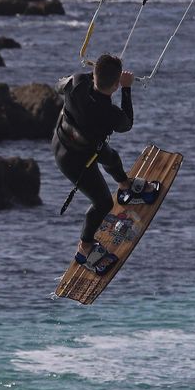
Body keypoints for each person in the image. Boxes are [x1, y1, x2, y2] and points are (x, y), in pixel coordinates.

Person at [52, 53, 134, 260]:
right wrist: (126, 88)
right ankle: (85, 246)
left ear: (94, 73)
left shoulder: (77, 82)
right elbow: (127, 124)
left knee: (112, 158)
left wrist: (94, 75)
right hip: (73, 162)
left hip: (64, 141)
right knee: (103, 203)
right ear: (115, 85)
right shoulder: (110, 114)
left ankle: (125, 185)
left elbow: (58, 86)